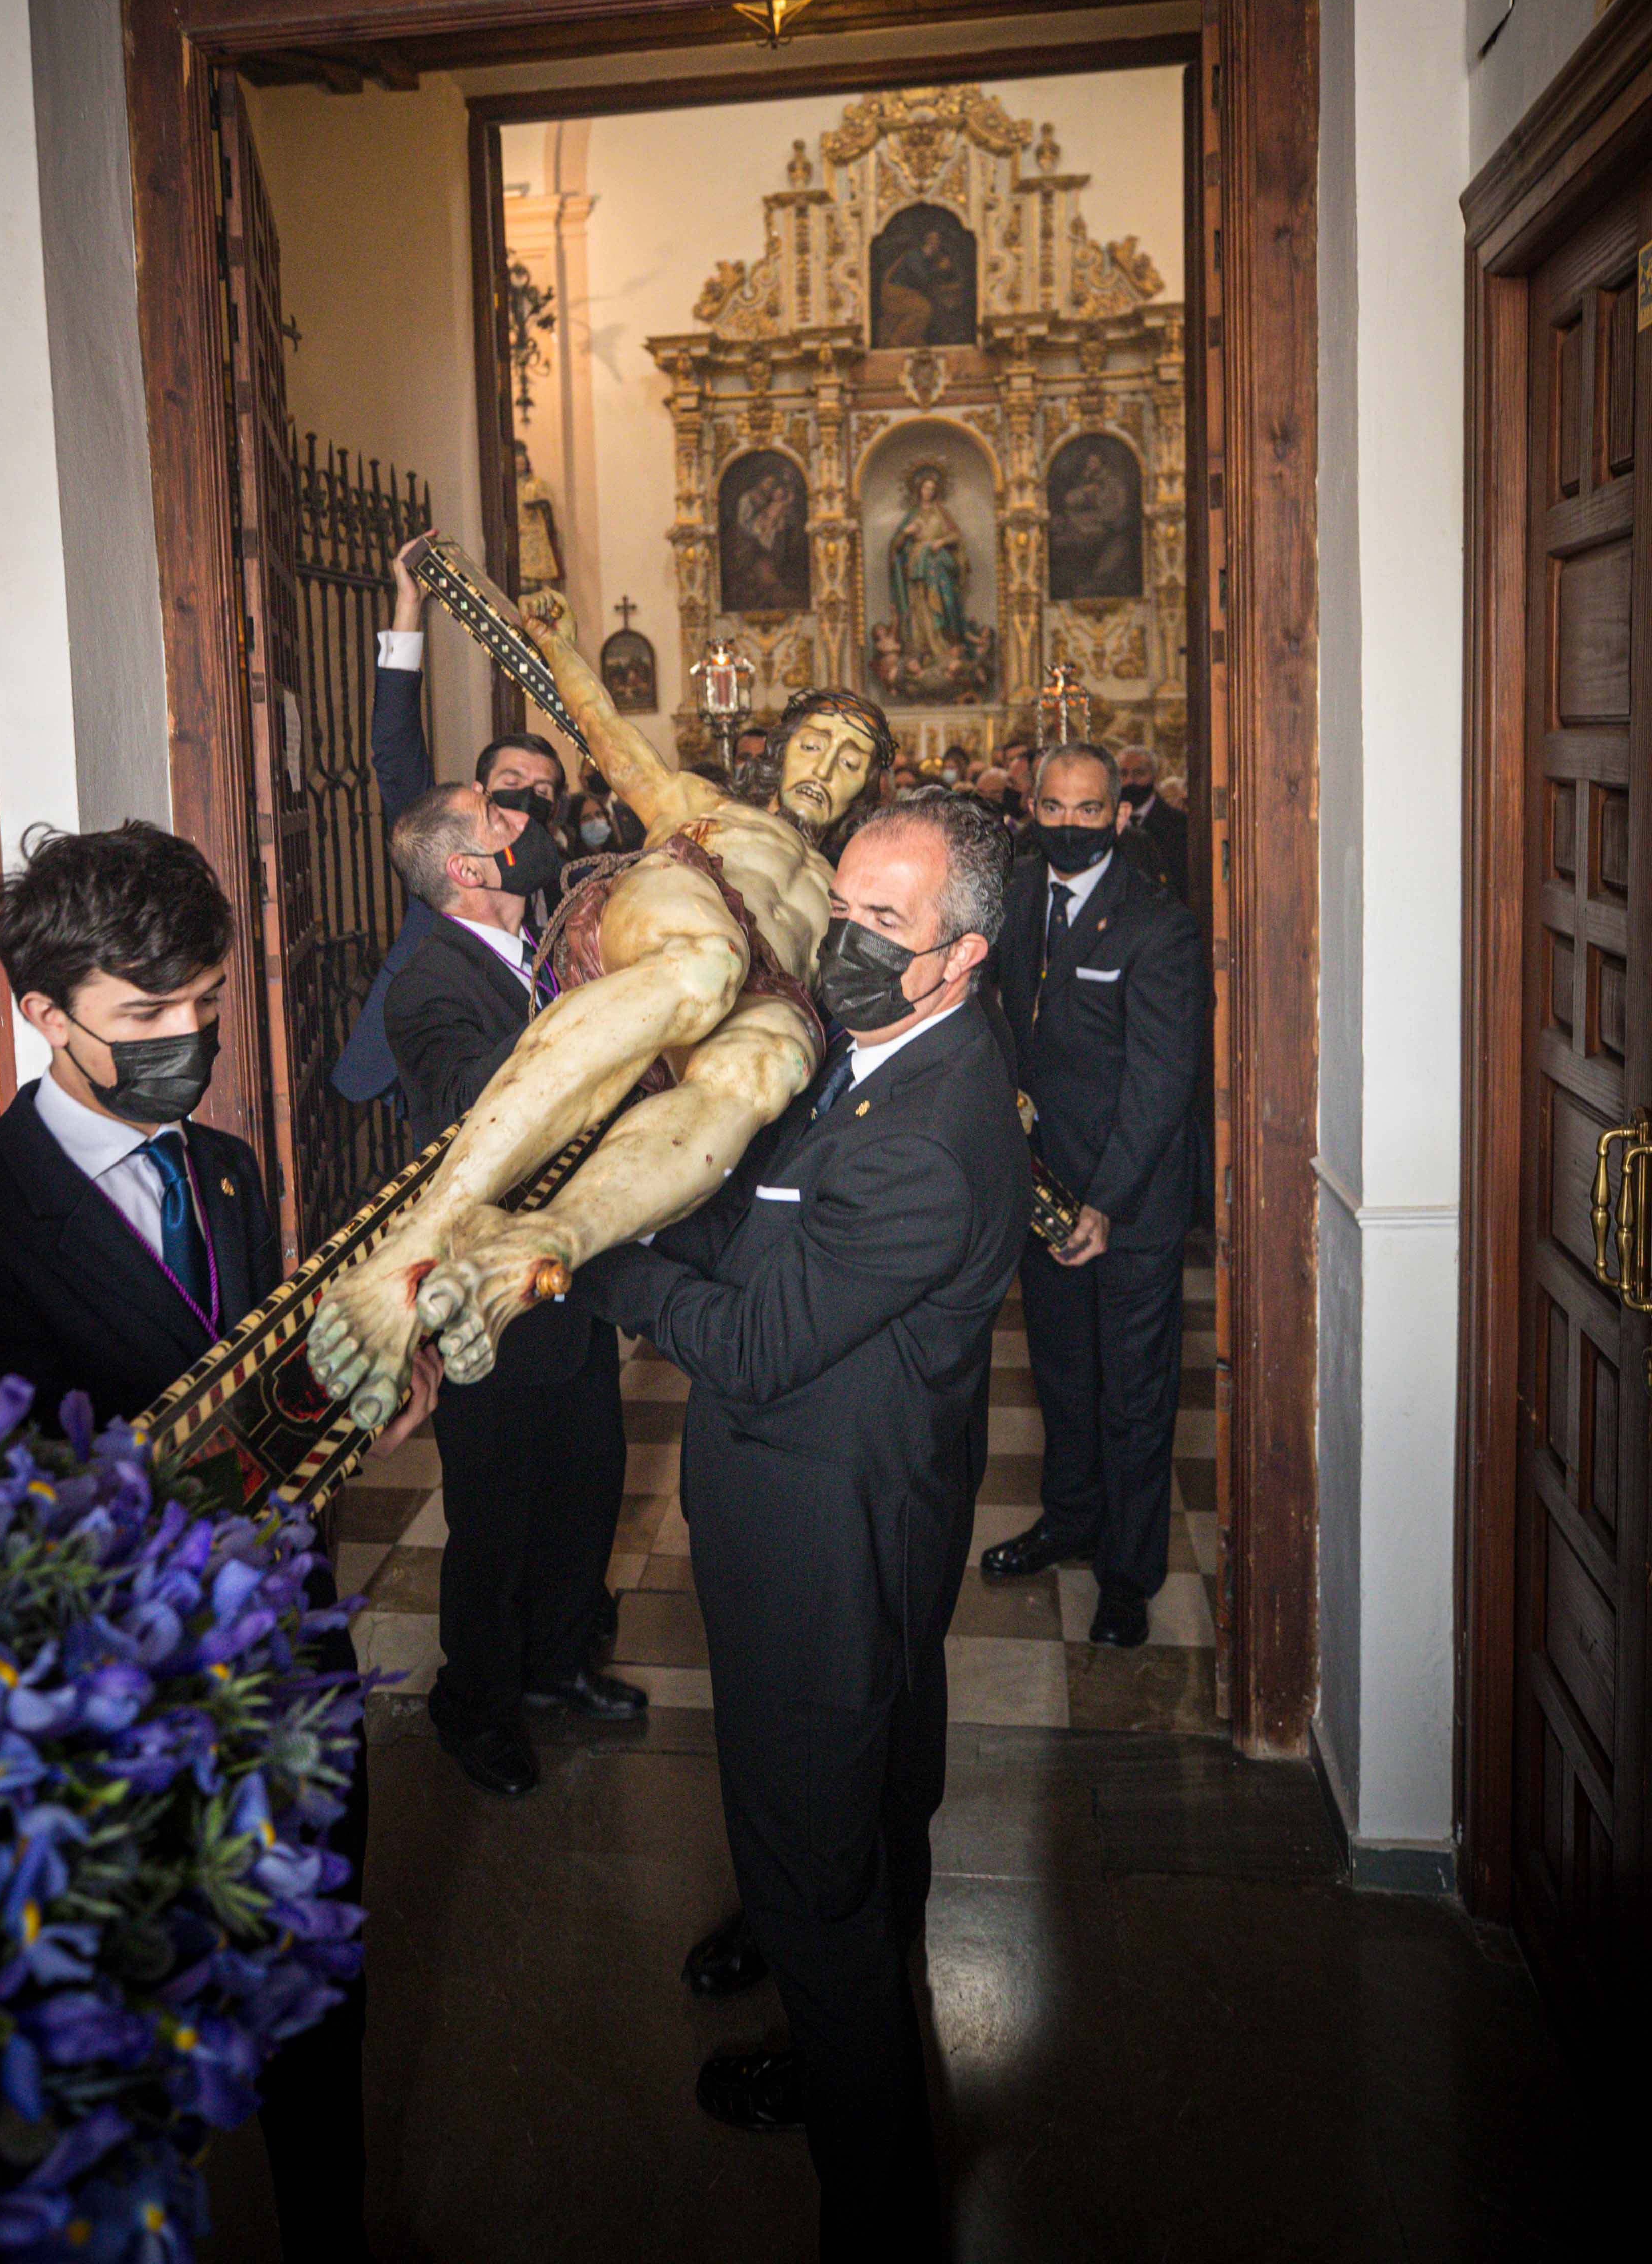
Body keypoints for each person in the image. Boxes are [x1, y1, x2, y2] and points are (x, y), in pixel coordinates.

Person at [0, 822, 420, 2264]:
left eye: (205, 1000)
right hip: (135, 1705)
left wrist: (351, 1402)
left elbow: (251, 1388)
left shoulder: (232, 1172)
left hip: (292, 1666)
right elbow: (6, 1528)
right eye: (147, 1017)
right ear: (46, 1015)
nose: (192, 1036)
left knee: (322, 1985)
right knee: (144, 2029)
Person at [566, 791, 1029, 2260]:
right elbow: (754, 1215)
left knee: (813, 1878)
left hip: (824, 1542)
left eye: (881, 927)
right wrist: (651, 1192)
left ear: (955, 960)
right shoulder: (872, 1060)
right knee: (853, 1829)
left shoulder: (925, 1135)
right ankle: (837, 2071)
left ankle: (875, 2209)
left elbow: (757, 1341)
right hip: (840, 1510)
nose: (837, 940)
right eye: (842, 907)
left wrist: (592, 1254)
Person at [305, 573, 895, 1430]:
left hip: (770, 983)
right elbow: (607, 735)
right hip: (692, 904)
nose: (827, 770)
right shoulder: (704, 803)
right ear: (780, 747)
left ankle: (550, 1238)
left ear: (867, 787)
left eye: (852, 763)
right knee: (704, 967)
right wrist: (559, 645)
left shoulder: (853, 878)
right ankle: (420, 1236)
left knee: (765, 1070)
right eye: (816, 745)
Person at [380, 780, 640, 1798]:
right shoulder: (426, 981)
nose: (528, 828)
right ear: (467, 869)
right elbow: (456, 1107)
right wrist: (578, 1017)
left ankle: (560, 1663)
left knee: (587, 1486)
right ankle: (474, 1703)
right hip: (487, 1295)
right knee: (494, 1519)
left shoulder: (542, 952)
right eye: (500, 821)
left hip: (574, 1278)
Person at [981, 745, 1205, 1649]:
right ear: (1030, 806)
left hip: (1129, 1202)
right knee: (1062, 1377)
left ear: (1118, 814)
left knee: (1133, 1395)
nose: (1067, 823)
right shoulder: (1017, 892)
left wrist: (1103, 1205)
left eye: (1087, 809)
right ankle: (1068, 1518)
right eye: (1052, 806)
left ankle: (1127, 1571)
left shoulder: (1158, 926)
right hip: (1040, 1190)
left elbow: (1161, 1083)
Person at [331, 534, 567, 1107]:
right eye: (512, 788)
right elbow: (394, 747)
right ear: (482, 788)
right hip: (423, 1074)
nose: (527, 804)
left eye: (544, 790)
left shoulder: (565, 879)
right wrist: (409, 608)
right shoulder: (445, 837)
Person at [1117, 742, 1190, 903]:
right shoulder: (1106, 822)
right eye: (1123, 774)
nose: (1130, 781)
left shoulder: (1179, 825)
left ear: (1155, 776)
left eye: (1139, 773)